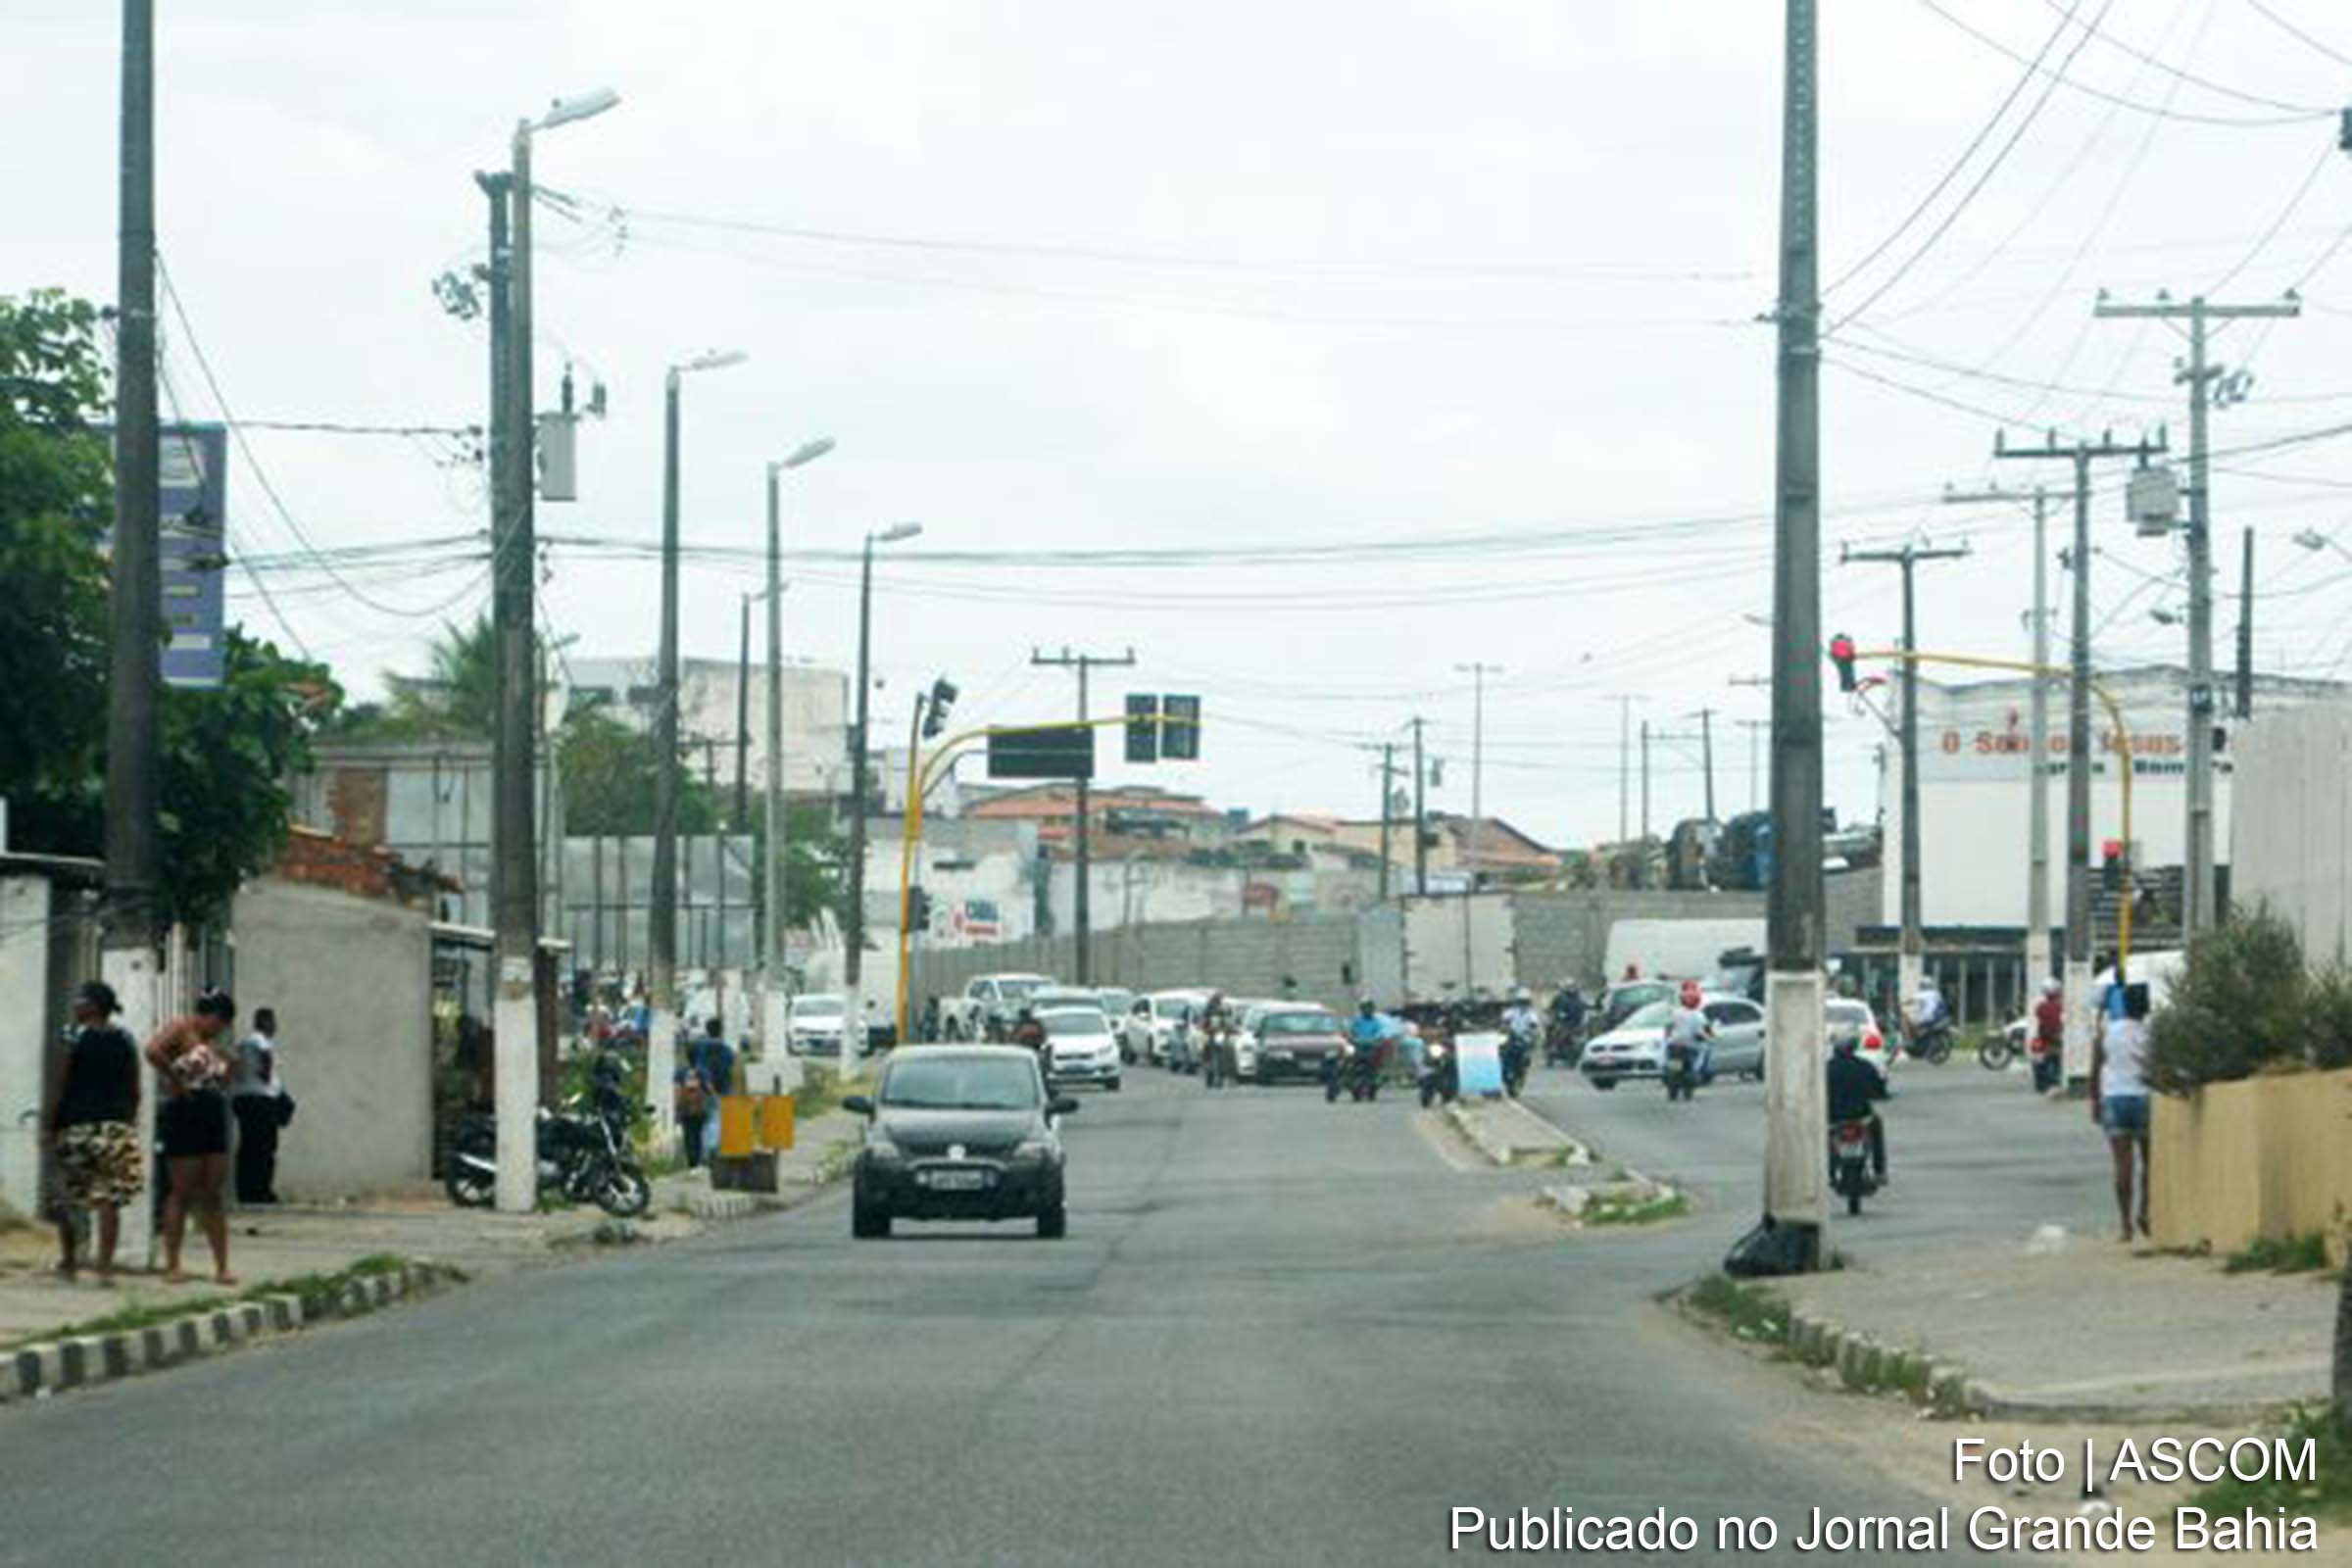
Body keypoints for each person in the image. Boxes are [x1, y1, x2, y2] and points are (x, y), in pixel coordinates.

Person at [43, 981, 143, 1285]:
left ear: (93, 1006)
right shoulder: (125, 1038)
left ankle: (70, 1262)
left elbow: (59, 1083)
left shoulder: (73, 1035)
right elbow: (135, 1087)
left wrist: (47, 1124)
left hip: (78, 1127)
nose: (75, 1004)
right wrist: (129, 1121)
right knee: (108, 1199)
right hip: (115, 1127)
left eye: (80, 1000)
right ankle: (105, 1268)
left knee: (66, 1195)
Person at [145, 990, 239, 1285]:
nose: (220, 1029)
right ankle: (173, 1263)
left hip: (211, 1110)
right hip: (185, 1110)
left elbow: (221, 1081)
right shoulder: (181, 1029)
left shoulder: (214, 1045)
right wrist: (175, 1078)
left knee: (212, 1191)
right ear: (211, 1016)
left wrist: (227, 1067)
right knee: (181, 1191)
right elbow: (153, 1050)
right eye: (219, 1022)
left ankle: (222, 1266)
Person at [2090, 980, 2153, 1243]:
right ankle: (2145, 1211)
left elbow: (2095, 1069)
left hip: (2115, 1099)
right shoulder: (2150, 1033)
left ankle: (2125, 1224)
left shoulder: (2107, 1033)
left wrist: (2095, 1101)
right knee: (2150, 1163)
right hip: (2144, 1098)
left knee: (2122, 1165)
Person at [228, 1005, 286, 1204]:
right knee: (265, 1148)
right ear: (267, 1023)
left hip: (243, 1098)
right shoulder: (261, 1041)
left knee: (248, 1147)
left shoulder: (243, 1044)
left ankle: (246, 1191)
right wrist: (266, 1076)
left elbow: (234, 1066)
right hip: (260, 1099)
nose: (274, 1026)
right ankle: (261, 1191)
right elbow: (265, 1060)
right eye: (272, 1022)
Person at [1825, 1028, 1890, 1183]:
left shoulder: (1826, 1069)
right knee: (1877, 1126)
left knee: (1823, 1137)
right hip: (1861, 1116)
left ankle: (1829, 1170)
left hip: (1834, 1118)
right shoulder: (1865, 1067)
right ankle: (1879, 1170)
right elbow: (1879, 1089)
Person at [1663, 981, 1713, 1090]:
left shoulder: (1676, 1013)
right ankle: (1697, 1071)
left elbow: (1668, 1027)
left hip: (1674, 1044)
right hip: (1691, 1045)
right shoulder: (1699, 1015)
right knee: (1705, 1051)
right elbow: (1707, 1030)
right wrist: (1710, 1036)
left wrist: (1668, 1038)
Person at [673, 1055, 713, 1168]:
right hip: (699, 1109)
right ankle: (698, 1160)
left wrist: (677, 1107)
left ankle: (691, 1161)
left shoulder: (680, 1072)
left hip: (685, 1109)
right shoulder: (703, 1071)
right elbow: (710, 1089)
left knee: (688, 1135)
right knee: (698, 1134)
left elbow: (677, 1091)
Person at [2031, 978, 2065, 1094]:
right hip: (2055, 1038)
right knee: (2056, 1060)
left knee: (2040, 1061)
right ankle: (2055, 1082)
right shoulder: (2059, 1006)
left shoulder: (2040, 1006)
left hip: (2043, 1037)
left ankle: (2042, 1084)